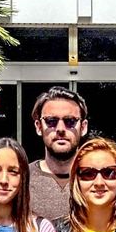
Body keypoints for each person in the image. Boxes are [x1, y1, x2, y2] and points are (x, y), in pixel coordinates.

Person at [27, 87, 88, 220]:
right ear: (38, 126)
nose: (60, 129)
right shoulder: (21, 179)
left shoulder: (99, 178)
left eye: (70, 121)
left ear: (83, 127)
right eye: (51, 121)